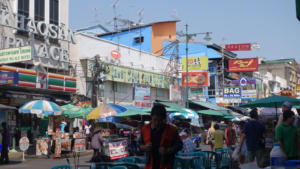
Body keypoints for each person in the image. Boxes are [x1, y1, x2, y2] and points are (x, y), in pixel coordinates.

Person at [138, 104, 182, 169]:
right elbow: (138, 145)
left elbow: (179, 145)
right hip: (149, 165)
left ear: (164, 119)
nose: (157, 123)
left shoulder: (172, 130)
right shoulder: (144, 129)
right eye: (155, 120)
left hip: (166, 166)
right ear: (151, 117)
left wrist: (168, 150)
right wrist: (144, 147)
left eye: (160, 120)